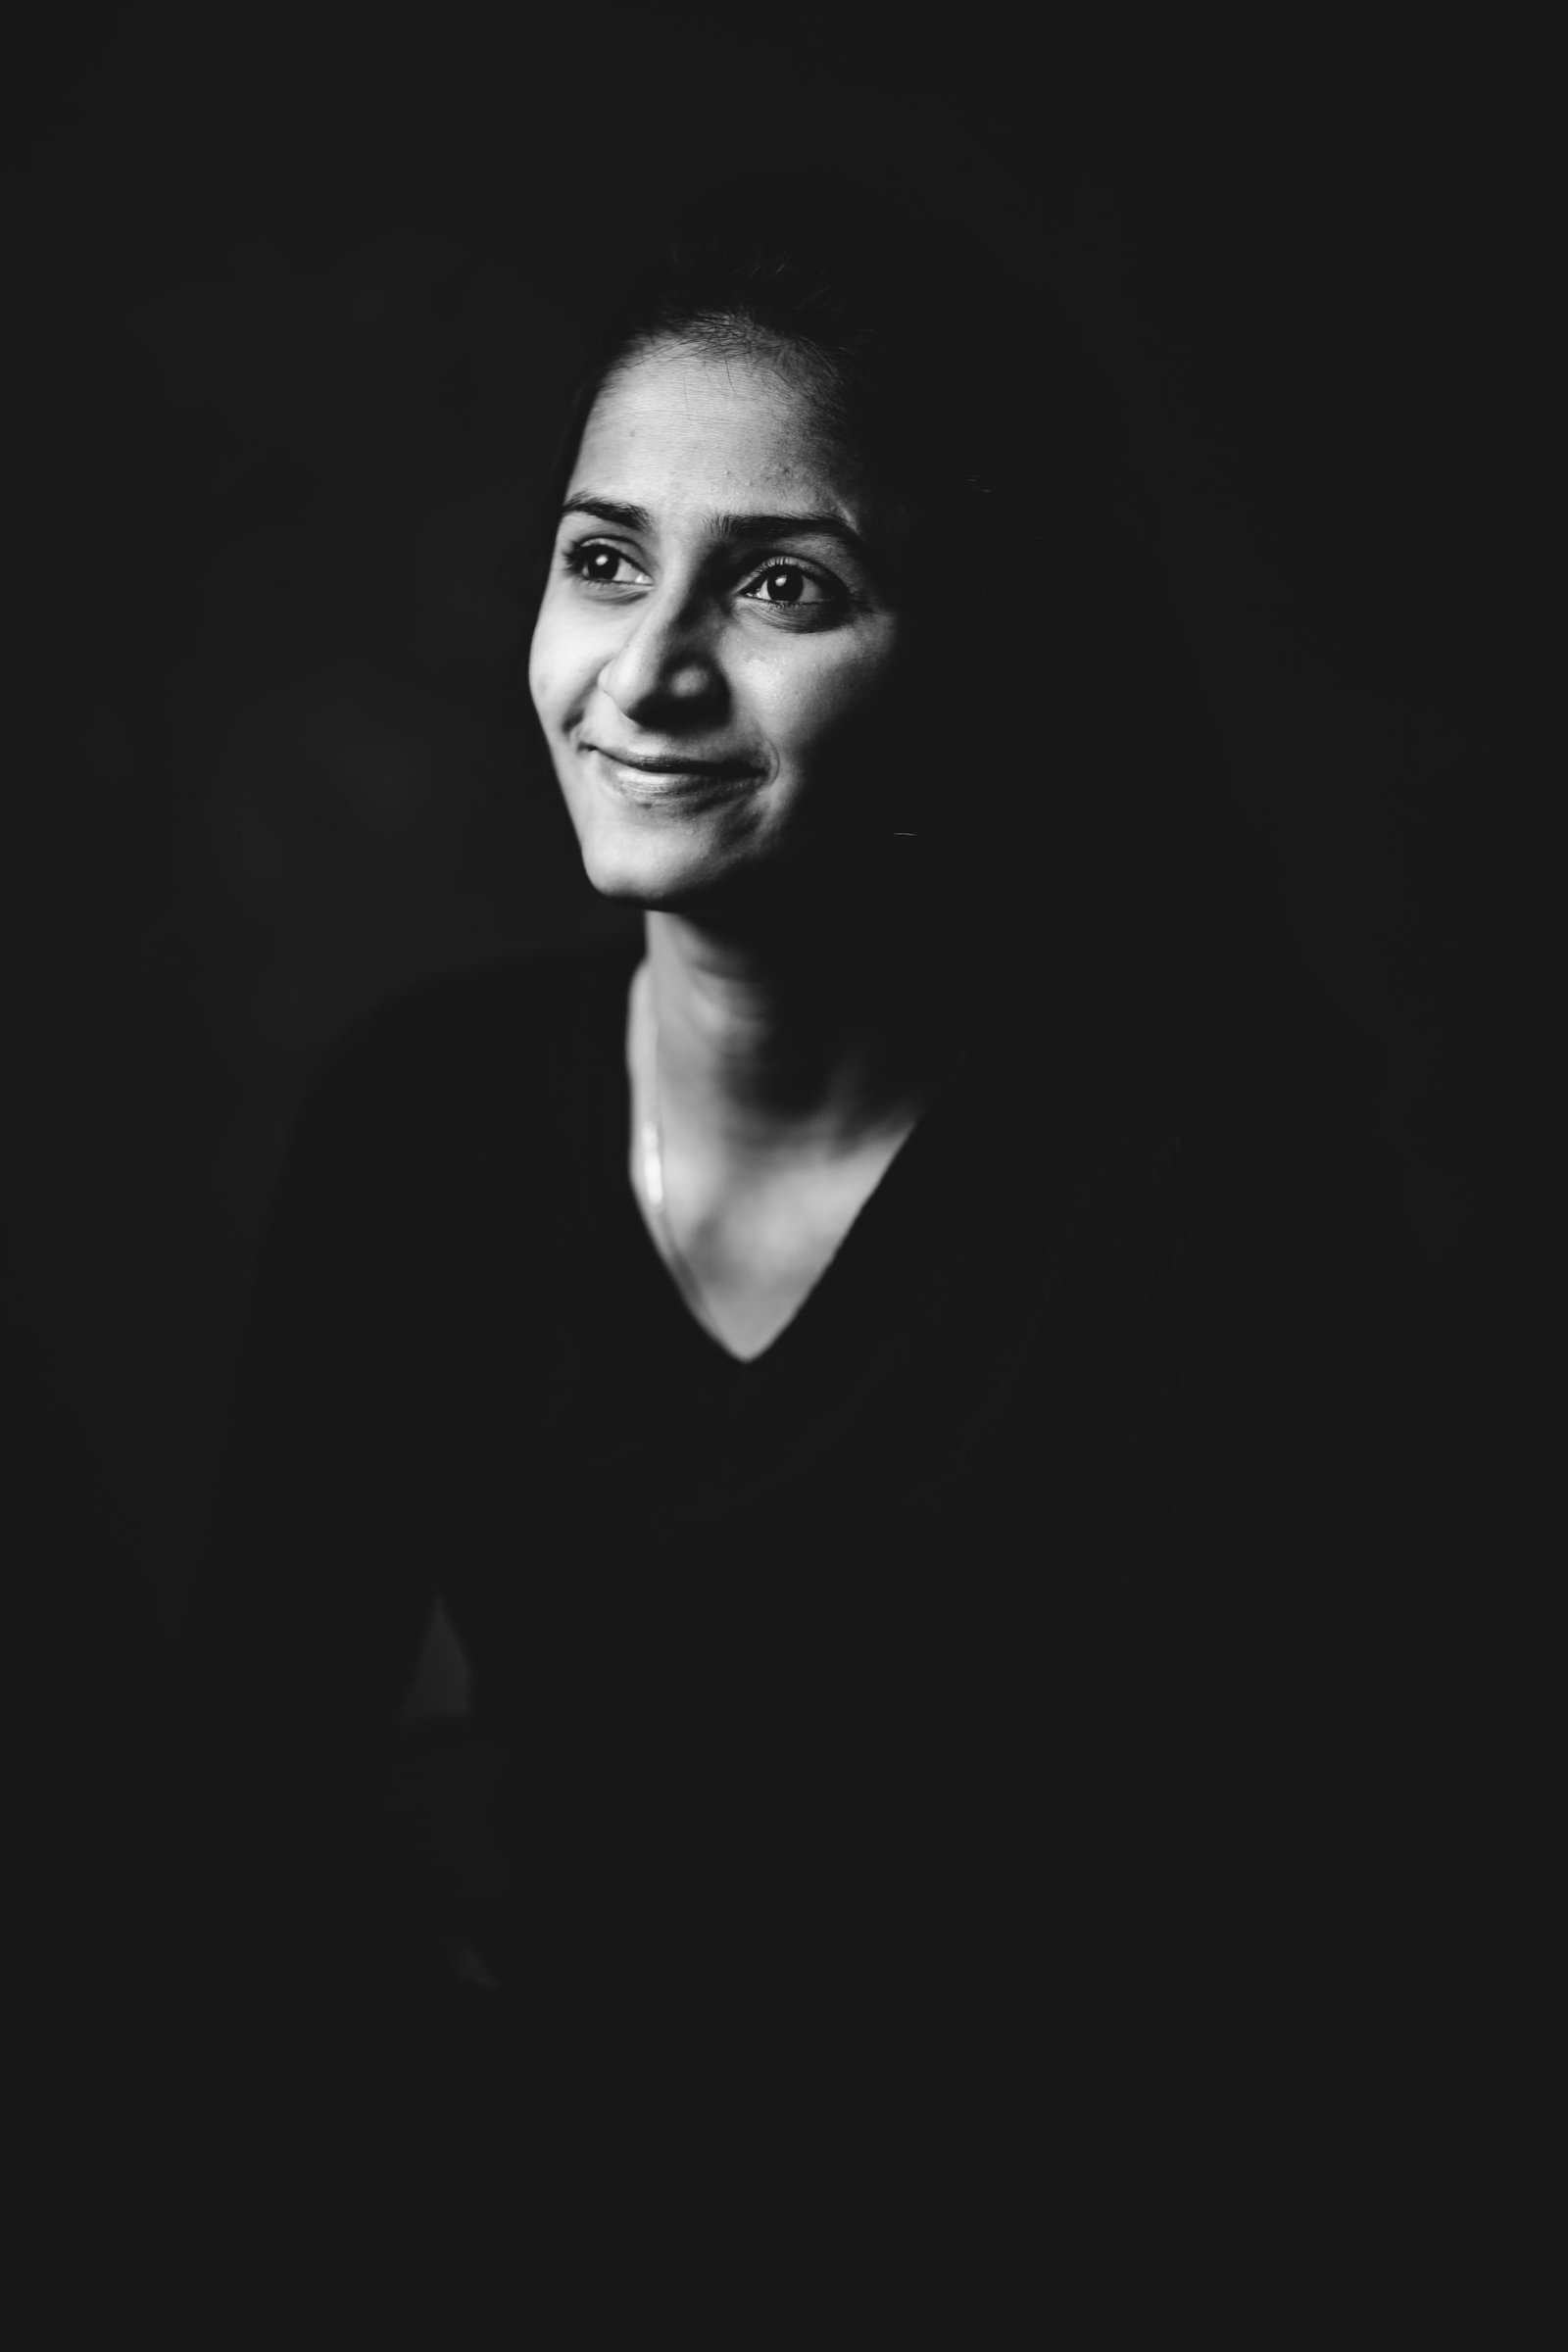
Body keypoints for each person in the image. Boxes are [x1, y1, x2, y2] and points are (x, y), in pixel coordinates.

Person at [156, 188, 1450, 2179]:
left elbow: (1214, 1956)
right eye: (605, 561)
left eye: (780, 588)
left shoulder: (1194, 1191)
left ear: (977, 651)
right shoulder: (422, 1121)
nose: (645, 673)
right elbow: (248, 1808)